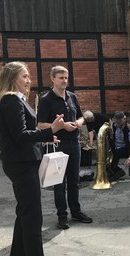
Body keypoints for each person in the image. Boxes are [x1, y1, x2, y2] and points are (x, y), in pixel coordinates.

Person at [0, 61, 68, 256]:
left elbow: (20, 136)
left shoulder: (13, 99)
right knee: (33, 218)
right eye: (24, 76)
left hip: (21, 162)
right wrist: (51, 129)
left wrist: (45, 138)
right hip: (22, 166)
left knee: (24, 214)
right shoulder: (12, 99)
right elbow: (21, 135)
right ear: (13, 77)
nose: (28, 80)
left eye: (29, 76)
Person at [37, 66, 92, 230]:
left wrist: (78, 123)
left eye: (66, 77)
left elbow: (81, 117)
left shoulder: (72, 97)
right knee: (59, 183)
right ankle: (62, 216)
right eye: (61, 77)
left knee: (74, 181)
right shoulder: (46, 99)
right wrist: (61, 126)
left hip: (74, 143)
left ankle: (76, 211)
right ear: (52, 79)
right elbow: (40, 125)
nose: (64, 81)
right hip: (58, 144)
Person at [108, 111, 130, 181]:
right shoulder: (113, 125)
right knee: (107, 155)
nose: (117, 123)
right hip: (116, 148)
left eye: (120, 121)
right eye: (116, 120)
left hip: (127, 150)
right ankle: (115, 171)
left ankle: (115, 172)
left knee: (115, 153)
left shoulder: (129, 129)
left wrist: (129, 158)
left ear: (124, 119)